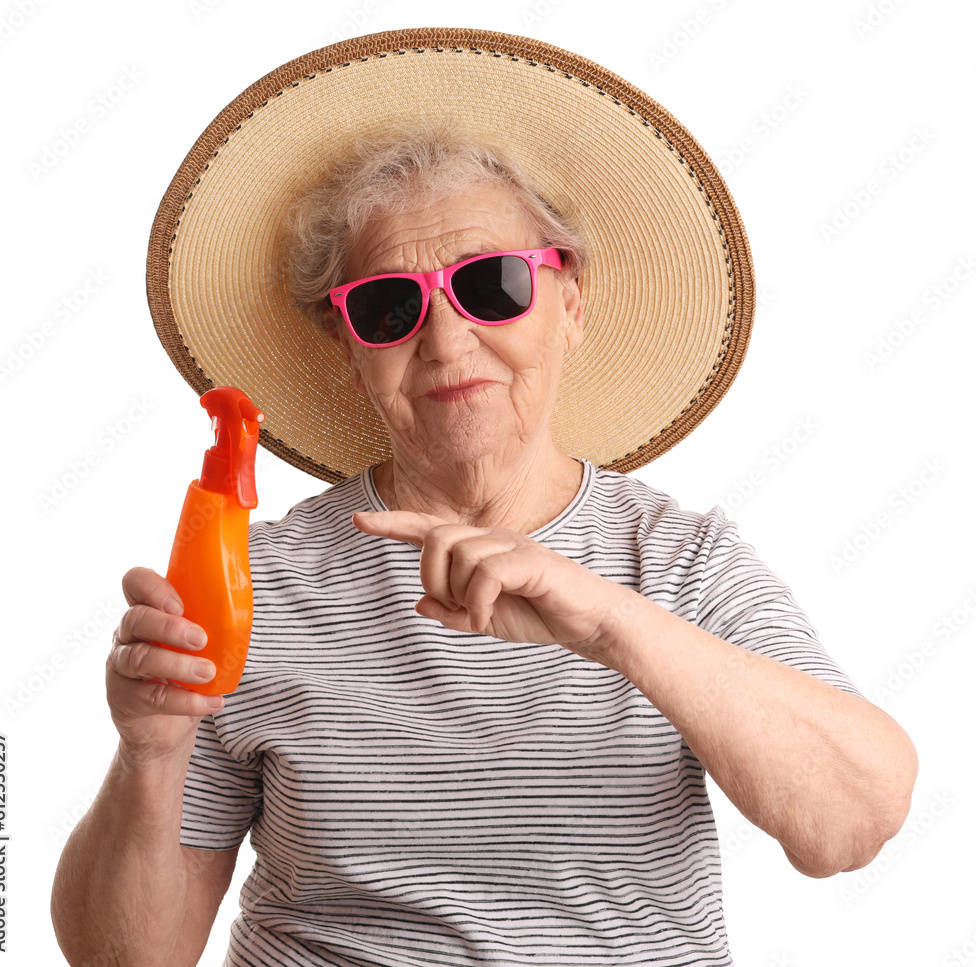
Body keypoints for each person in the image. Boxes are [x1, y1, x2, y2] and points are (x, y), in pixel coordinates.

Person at [51, 29, 917, 967]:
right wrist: (150, 751)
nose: (448, 342)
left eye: (491, 286)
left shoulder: (680, 561)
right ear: (349, 350)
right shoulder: (257, 585)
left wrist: (608, 620)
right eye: (390, 307)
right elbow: (124, 960)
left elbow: (854, 822)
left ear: (568, 304)